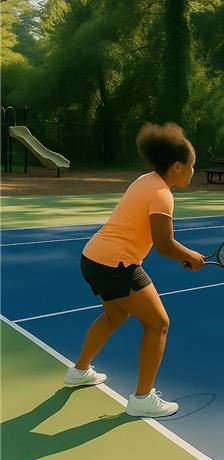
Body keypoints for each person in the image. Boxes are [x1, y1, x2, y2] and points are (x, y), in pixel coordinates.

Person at [63, 122, 205, 417]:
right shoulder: (162, 194)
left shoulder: (146, 180)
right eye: (192, 165)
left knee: (115, 314)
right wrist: (190, 255)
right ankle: (142, 398)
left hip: (92, 257)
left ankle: (79, 371)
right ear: (178, 166)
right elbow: (164, 245)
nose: (194, 170)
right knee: (158, 324)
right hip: (116, 264)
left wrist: (183, 256)